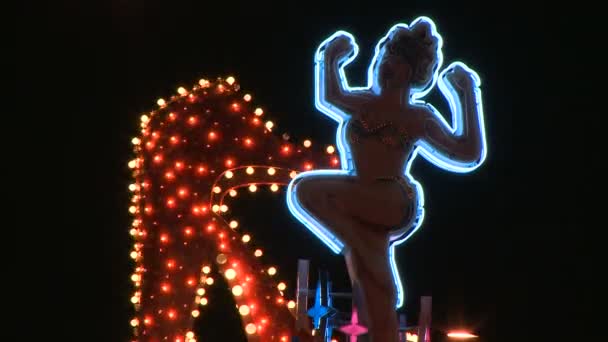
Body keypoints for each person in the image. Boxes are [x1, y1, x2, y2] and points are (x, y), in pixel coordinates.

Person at [287, 17, 486, 341]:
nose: (384, 65)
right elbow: (329, 94)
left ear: (411, 71)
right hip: (360, 196)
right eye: (382, 58)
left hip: (393, 198)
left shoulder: (418, 116)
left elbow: (467, 151)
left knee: (309, 190)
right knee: (372, 288)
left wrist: (465, 92)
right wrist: (331, 57)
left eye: (393, 61)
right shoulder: (362, 102)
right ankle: (381, 317)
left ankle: (363, 253)